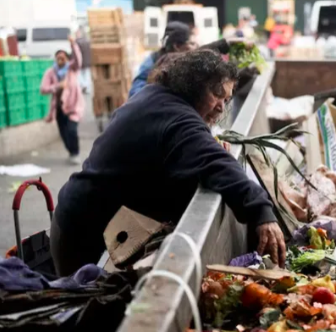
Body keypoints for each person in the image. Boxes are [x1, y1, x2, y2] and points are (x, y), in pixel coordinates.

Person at [50, 50, 286, 276]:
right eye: (216, 95)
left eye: (226, 99)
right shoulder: (175, 117)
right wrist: (261, 211)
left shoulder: (159, 96)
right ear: (192, 85)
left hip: (85, 218)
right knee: (85, 307)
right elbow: (216, 163)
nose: (221, 107)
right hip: (81, 233)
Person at [40, 36, 84, 165]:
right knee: (64, 133)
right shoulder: (50, 72)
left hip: (74, 106)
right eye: (58, 57)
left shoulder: (72, 69)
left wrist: (73, 44)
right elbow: (43, 88)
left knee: (72, 130)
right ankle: (70, 151)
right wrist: (57, 86)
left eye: (63, 57)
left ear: (67, 59)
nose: (60, 59)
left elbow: (79, 59)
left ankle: (75, 153)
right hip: (59, 108)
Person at [128, 21, 197, 98]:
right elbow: (135, 93)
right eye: (192, 44)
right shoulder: (152, 62)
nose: (196, 47)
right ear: (177, 46)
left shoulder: (189, 63)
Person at [75, 27, 92, 94]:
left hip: (81, 61)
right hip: (87, 61)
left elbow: (76, 53)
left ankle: (84, 85)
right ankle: (86, 87)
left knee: (80, 75)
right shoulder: (87, 41)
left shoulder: (77, 42)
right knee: (86, 75)